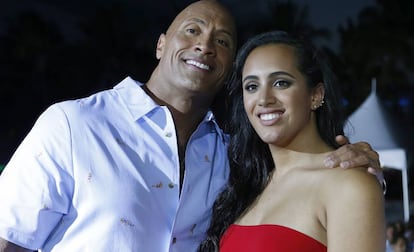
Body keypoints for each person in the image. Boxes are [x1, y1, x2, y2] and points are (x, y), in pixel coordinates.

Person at [0, 1, 382, 251]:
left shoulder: (233, 160)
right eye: (192, 30)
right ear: (161, 44)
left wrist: (364, 175)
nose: (205, 46)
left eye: (222, 40)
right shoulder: (73, 124)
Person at [199, 30, 386, 251]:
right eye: (251, 86)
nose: (264, 99)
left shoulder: (349, 184)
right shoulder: (246, 185)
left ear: (315, 95)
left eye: (280, 83)